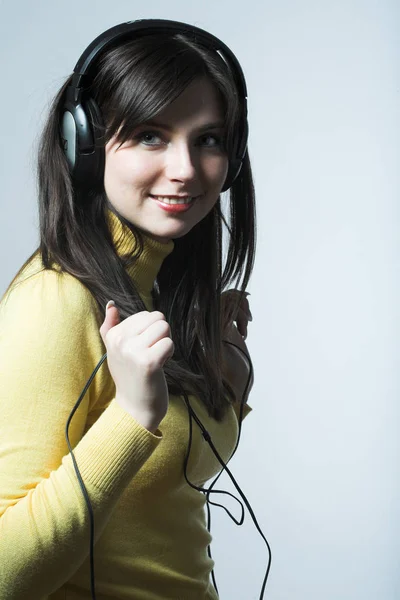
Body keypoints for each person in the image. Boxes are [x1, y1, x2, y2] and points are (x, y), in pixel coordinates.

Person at [0, 19, 256, 600]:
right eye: (149, 135)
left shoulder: (158, 288)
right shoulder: (55, 302)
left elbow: (168, 485)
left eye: (209, 139)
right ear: (84, 147)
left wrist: (230, 375)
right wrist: (131, 418)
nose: (186, 169)